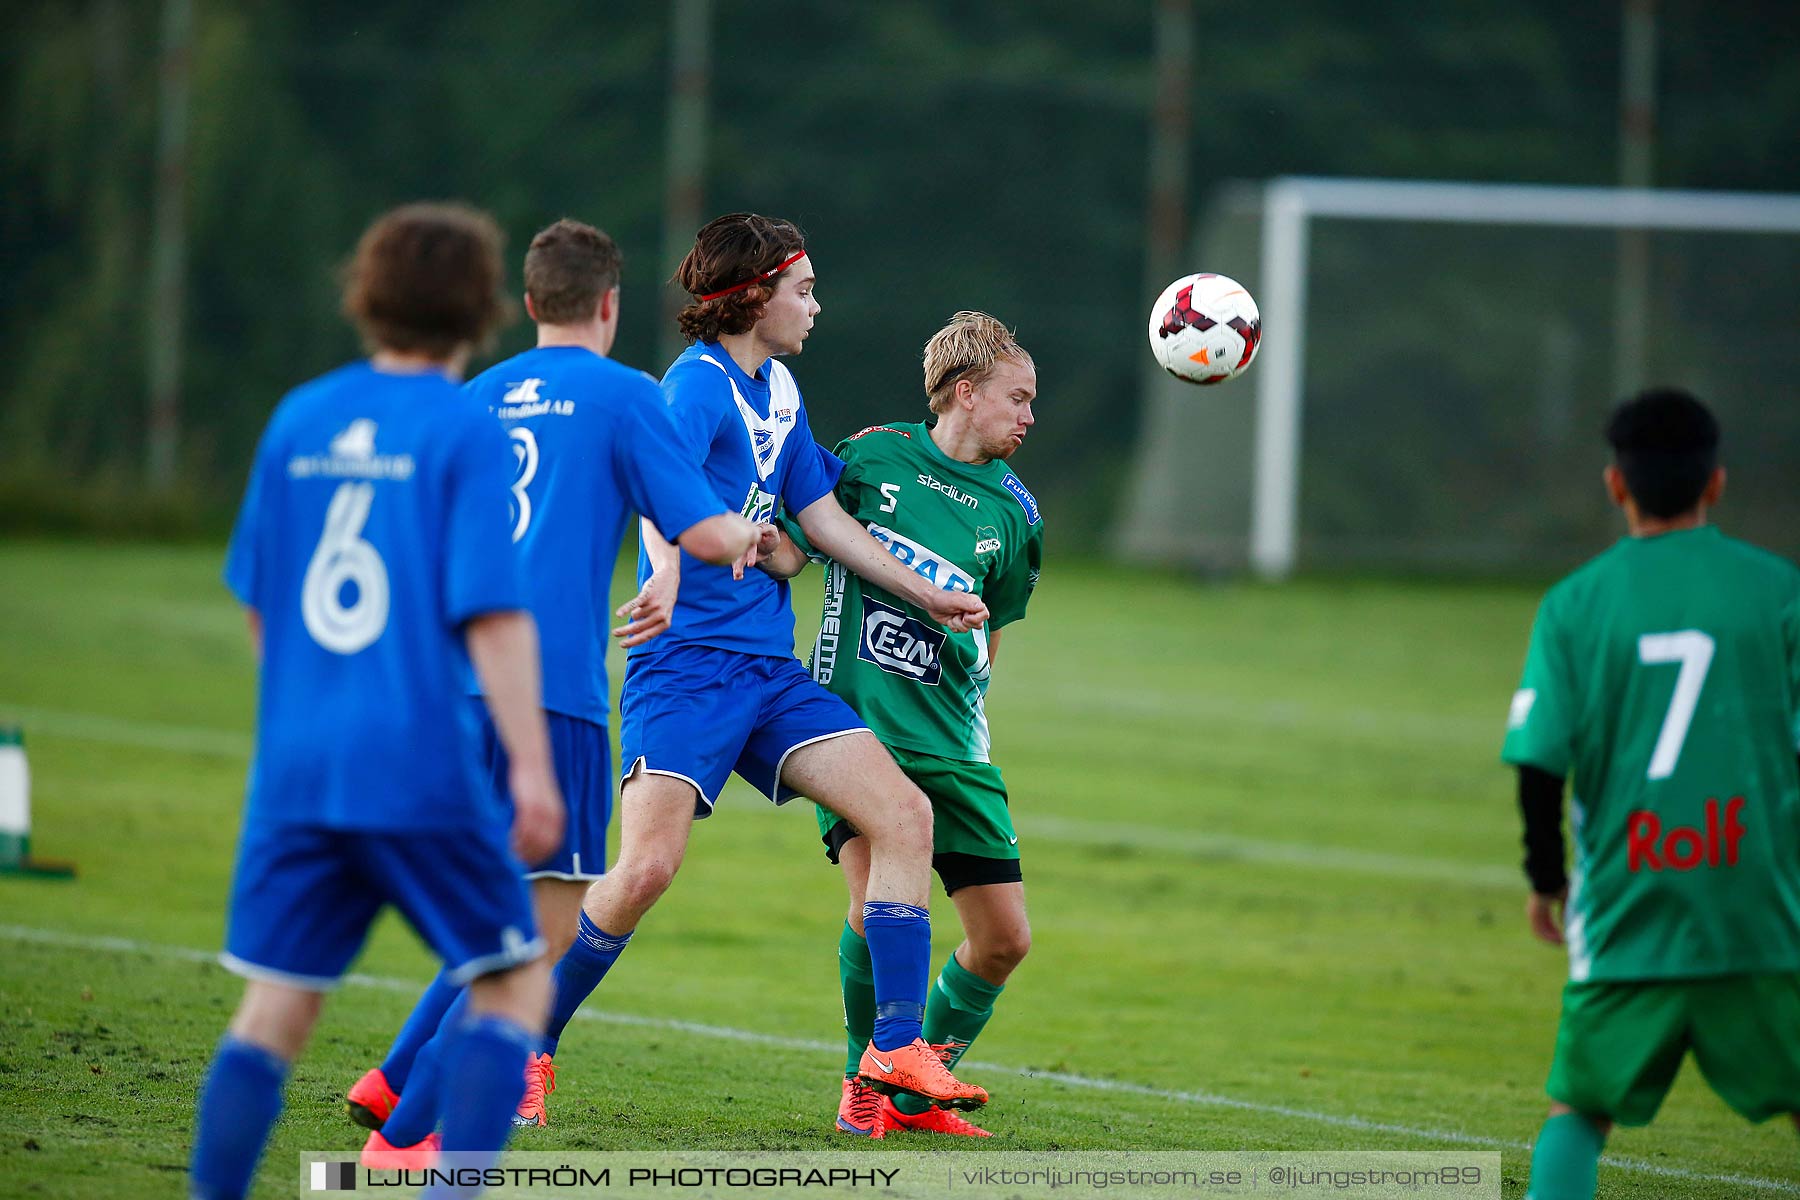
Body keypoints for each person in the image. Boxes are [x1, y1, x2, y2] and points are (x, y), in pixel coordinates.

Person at [520, 212, 995, 1123]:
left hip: (767, 673)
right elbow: (655, 494)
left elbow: (821, 522)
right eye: (804, 288)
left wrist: (927, 595)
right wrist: (662, 573)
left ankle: (893, 1054)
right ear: (753, 296)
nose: (816, 305)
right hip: (685, 669)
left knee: (903, 815)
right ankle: (526, 1045)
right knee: (648, 869)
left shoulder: (780, 389)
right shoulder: (694, 389)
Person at [344, 219, 760, 1148]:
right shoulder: (623, 396)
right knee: (538, 935)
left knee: (497, 911)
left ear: (529, 304)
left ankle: (392, 1080)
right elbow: (702, 530)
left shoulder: (469, 396)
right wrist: (752, 540)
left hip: (449, 689)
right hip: (552, 697)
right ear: (610, 305)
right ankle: (405, 1140)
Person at [189, 203, 562, 1199]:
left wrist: (305, 722)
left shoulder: (299, 416)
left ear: (366, 295)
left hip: (297, 767)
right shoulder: (460, 426)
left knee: (275, 1014)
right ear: (480, 309)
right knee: (514, 979)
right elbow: (492, 614)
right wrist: (530, 767)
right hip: (415, 764)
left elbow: (264, 609)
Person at [1502, 388, 1800, 1200]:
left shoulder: (1574, 606)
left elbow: (1539, 761)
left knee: (1579, 1110)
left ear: (1615, 485)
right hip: (1758, 900)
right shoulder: (1779, 593)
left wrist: (1543, 877)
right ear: (1716, 484)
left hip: (1632, 898)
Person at [758, 311, 1044, 1138]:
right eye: (1018, 398)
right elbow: (809, 539)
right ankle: (866, 1086)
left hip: (955, 743)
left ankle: (917, 1091)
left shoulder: (1017, 514)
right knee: (871, 903)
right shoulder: (872, 455)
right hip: (857, 732)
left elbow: (996, 626)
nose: (1029, 417)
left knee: (1003, 941)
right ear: (965, 392)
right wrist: (760, 549)